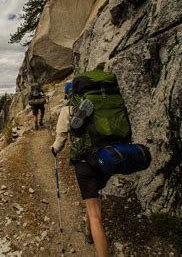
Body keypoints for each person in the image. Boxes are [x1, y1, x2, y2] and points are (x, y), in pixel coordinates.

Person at [51, 81, 111, 257]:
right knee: (93, 196)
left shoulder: (68, 109)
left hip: (85, 163)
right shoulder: (98, 106)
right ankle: (88, 230)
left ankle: (95, 236)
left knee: (95, 214)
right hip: (105, 158)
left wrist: (54, 149)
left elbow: (61, 137)